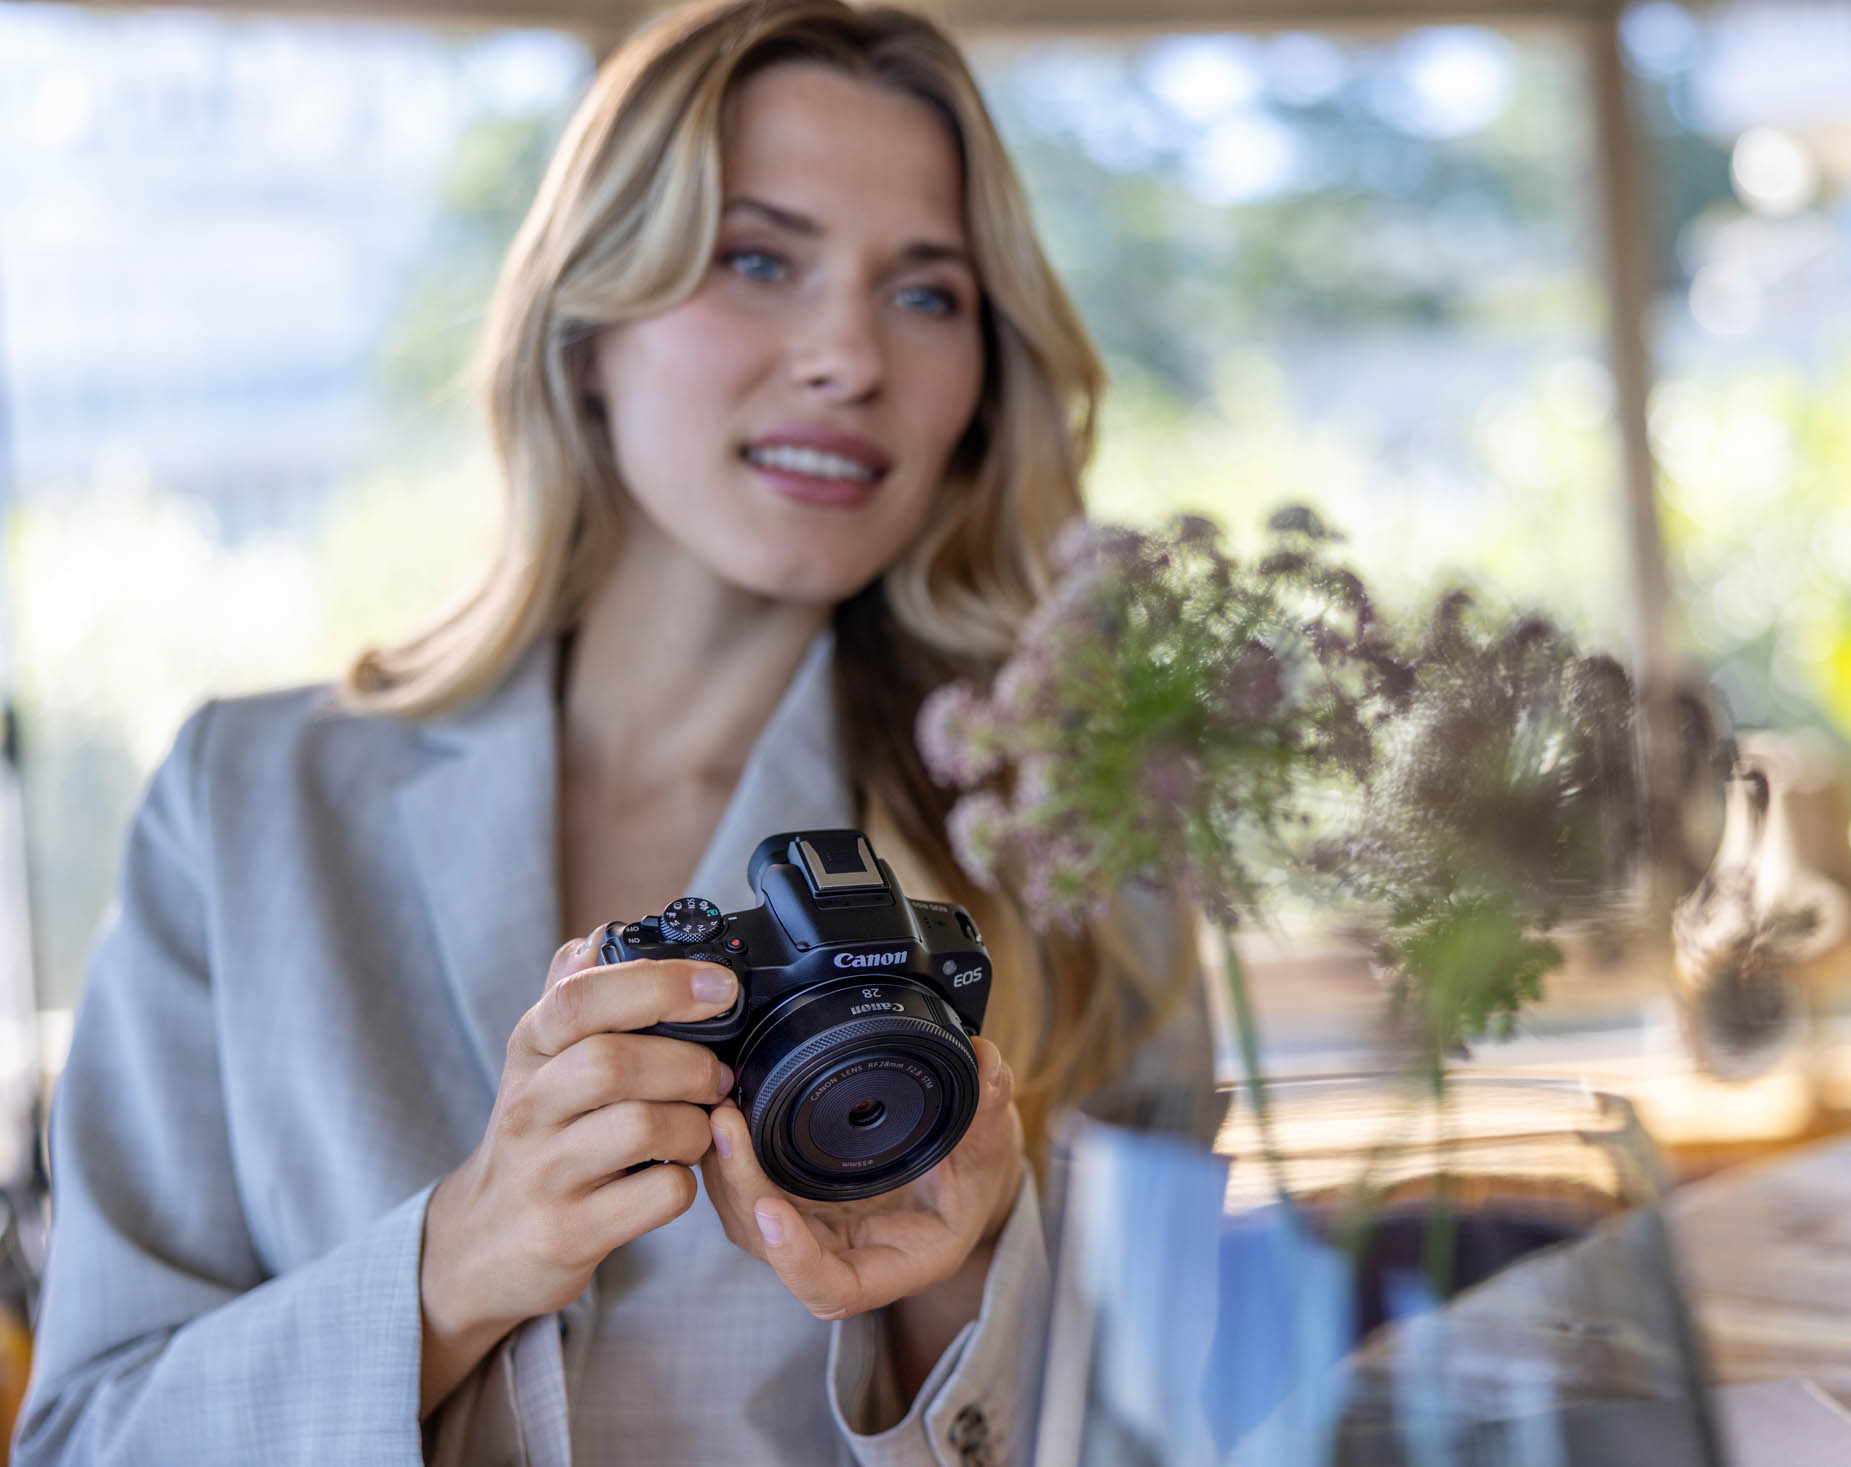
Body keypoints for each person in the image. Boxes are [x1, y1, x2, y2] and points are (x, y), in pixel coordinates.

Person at [14, 2, 1215, 1462]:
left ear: (982, 383)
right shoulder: (245, 805)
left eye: (927, 292)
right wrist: (465, 1257)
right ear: (588, 329)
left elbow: (1193, 1427)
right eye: (759, 259)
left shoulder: (1080, 846)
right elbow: (85, 1440)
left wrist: (952, 1297)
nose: (847, 356)